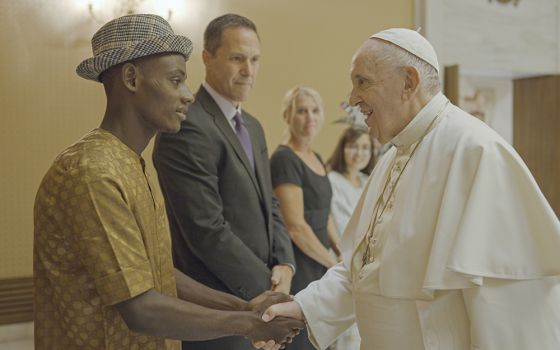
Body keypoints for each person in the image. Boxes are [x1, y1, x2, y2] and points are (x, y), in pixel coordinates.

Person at [260, 28, 560, 350]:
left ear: (408, 82)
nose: (352, 98)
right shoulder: (393, 157)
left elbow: (509, 311)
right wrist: (304, 307)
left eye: (363, 82)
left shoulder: (475, 152)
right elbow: (363, 271)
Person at [33, 14, 303, 350]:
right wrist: (248, 323)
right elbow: (140, 307)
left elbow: (158, 272)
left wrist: (243, 305)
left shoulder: (133, 164)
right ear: (131, 78)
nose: (188, 96)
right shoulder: (91, 171)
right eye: (176, 80)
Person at [152, 14, 296, 350]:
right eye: (237, 58)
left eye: (255, 59)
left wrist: (285, 263)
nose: (249, 70)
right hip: (217, 306)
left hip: (264, 298)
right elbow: (205, 228)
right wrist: (267, 292)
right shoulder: (187, 126)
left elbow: (270, 203)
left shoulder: (255, 127)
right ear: (207, 57)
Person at [269, 87, 341, 350]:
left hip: (322, 262)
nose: (309, 117)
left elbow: (325, 212)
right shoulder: (284, 160)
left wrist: (340, 250)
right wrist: (331, 262)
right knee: (301, 342)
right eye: (301, 110)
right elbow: (296, 226)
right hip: (302, 265)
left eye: (314, 110)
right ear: (287, 116)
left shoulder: (317, 157)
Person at [324, 126, 375, 350]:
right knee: (342, 326)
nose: (359, 152)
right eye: (353, 146)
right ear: (343, 149)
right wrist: (340, 253)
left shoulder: (368, 181)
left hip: (367, 262)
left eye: (365, 147)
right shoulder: (331, 180)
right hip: (341, 257)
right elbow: (328, 220)